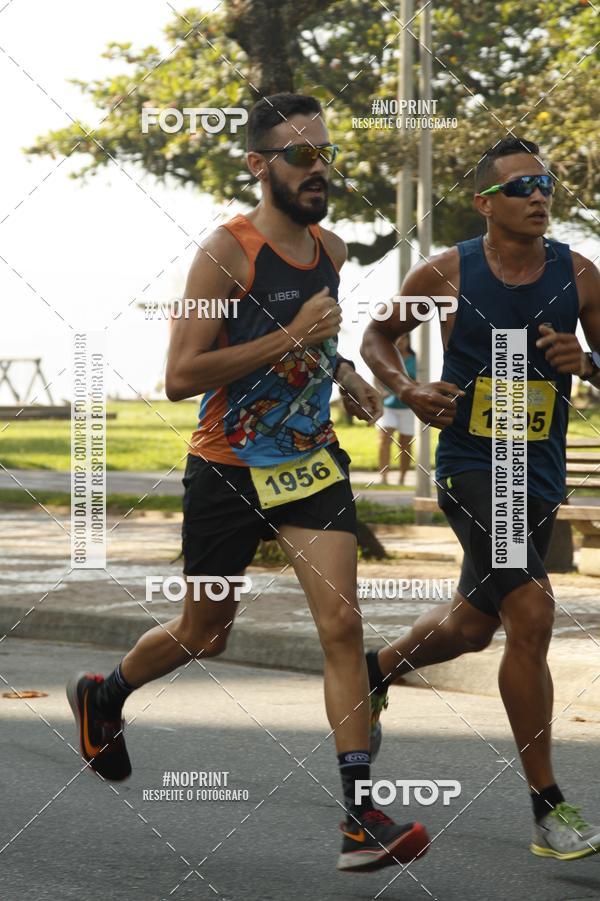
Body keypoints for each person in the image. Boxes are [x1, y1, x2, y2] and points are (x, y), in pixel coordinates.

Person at [67, 92, 429, 872]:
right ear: (260, 165)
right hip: (228, 467)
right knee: (206, 632)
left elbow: (309, 345)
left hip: (308, 465)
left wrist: (341, 373)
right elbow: (179, 374)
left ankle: (359, 817)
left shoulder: (330, 249)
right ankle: (106, 691)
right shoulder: (223, 253)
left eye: (327, 154)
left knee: (344, 630)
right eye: (302, 156)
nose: (319, 169)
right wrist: (293, 337)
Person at [361, 137, 600, 860]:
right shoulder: (446, 271)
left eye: (546, 183)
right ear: (484, 202)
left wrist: (586, 362)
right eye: (523, 184)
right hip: (470, 465)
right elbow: (377, 336)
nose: (539, 195)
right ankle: (549, 808)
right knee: (531, 608)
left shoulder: (582, 275)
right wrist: (406, 388)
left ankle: (377, 668)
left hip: (539, 474)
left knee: (472, 627)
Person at [377, 335, 417, 485]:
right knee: (384, 440)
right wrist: (381, 391)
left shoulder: (416, 360)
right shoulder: (387, 356)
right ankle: (384, 477)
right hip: (388, 407)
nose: (400, 342)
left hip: (408, 408)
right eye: (398, 339)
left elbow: (420, 380)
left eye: (404, 339)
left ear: (409, 341)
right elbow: (378, 375)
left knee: (405, 445)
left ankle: (402, 479)